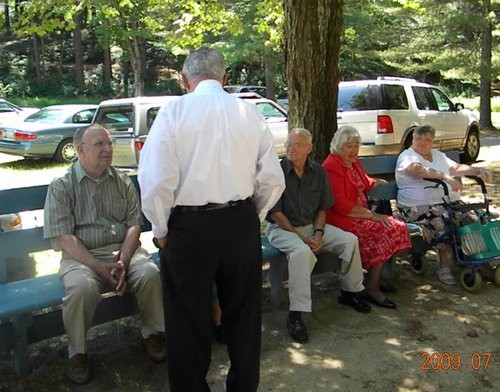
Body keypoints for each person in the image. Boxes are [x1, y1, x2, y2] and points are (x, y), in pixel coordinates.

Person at [138, 47, 285, 392]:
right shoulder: (249, 112)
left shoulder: (174, 111)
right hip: (240, 224)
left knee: (187, 320)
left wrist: (160, 228)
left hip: (189, 228)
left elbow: (156, 180)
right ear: (224, 78)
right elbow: (272, 179)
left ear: (185, 80)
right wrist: (253, 215)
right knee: (245, 316)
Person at [43, 124, 166, 385]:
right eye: (99, 144)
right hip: (81, 257)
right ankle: (77, 353)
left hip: (123, 250)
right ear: (79, 150)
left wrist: (122, 259)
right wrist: (99, 267)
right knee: (80, 288)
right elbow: (65, 237)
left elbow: (134, 224)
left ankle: (152, 333)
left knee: (149, 273)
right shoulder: (62, 185)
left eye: (109, 144)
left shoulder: (121, 180)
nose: (107, 149)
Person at [266, 127, 370, 345]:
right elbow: (275, 213)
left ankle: (350, 292)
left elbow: (322, 209)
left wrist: (319, 233)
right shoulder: (277, 172)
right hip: (282, 229)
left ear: (309, 148)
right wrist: (301, 237)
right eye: (288, 145)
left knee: (349, 240)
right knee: (301, 252)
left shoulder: (318, 172)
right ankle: (296, 314)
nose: (291, 149)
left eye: (297, 145)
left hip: (311, 227)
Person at [322, 125, 411, 309]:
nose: (353, 150)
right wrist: (372, 215)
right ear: (338, 146)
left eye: (356, 145)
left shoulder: (352, 162)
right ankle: (371, 285)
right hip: (343, 219)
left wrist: (376, 182)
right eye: (349, 146)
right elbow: (340, 205)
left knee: (398, 227)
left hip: (360, 215)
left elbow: (362, 180)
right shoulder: (332, 167)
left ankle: (375, 279)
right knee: (386, 230)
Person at [395, 124, 493, 285]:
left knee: (472, 218)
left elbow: (455, 168)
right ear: (412, 139)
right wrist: (444, 177)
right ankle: (444, 265)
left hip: (446, 203)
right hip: (417, 208)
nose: (422, 142)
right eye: (418, 138)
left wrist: (478, 170)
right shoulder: (408, 156)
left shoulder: (437, 155)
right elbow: (416, 170)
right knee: (444, 221)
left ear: (432, 141)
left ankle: (479, 260)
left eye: (427, 139)